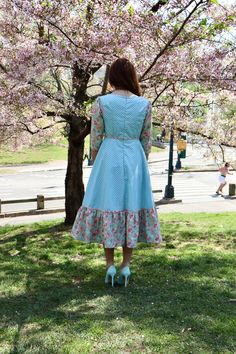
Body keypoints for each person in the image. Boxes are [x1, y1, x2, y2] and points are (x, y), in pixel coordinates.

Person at [72, 58, 162, 287]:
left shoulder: (101, 102)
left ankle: (110, 264)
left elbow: (96, 137)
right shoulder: (144, 104)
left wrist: (95, 159)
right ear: (132, 76)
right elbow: (147, 141)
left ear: (112, 77)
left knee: (110, 206)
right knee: (131, 205)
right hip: (134, 156)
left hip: (109, 154)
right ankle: (126, 266)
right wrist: (141, 161)